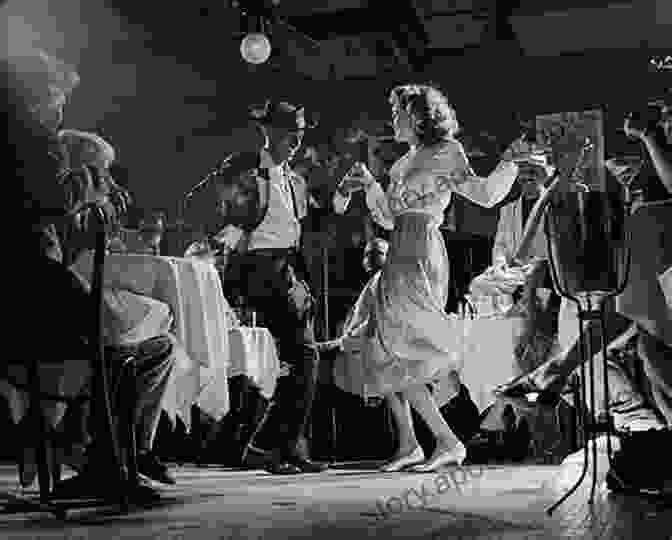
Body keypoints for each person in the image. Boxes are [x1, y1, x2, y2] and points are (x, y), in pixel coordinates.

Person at [331, 83, 541, 472]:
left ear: (418, 117)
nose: (392, 119)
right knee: (386, 346)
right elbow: (390, 217)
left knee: (403, 342)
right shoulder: (402, 163)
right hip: (398, 250)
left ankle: (446, 441)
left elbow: (487, 195)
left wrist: (509, 161)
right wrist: (372, 187)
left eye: (398, 113)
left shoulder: (447, 152)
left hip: (422, 251)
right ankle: (413, 444)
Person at [212, 100, 328, 474]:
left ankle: (286, 446)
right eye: (289, 131)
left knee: (303, 358)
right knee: (302, 354)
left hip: (288, 267)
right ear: (269, 132)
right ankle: (265, 446)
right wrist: (232, 240)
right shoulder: (243, 166)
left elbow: (304, 225)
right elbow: (224, 212)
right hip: (260, 267)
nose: (296, 139)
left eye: (300, 131)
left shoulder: (295, 179)